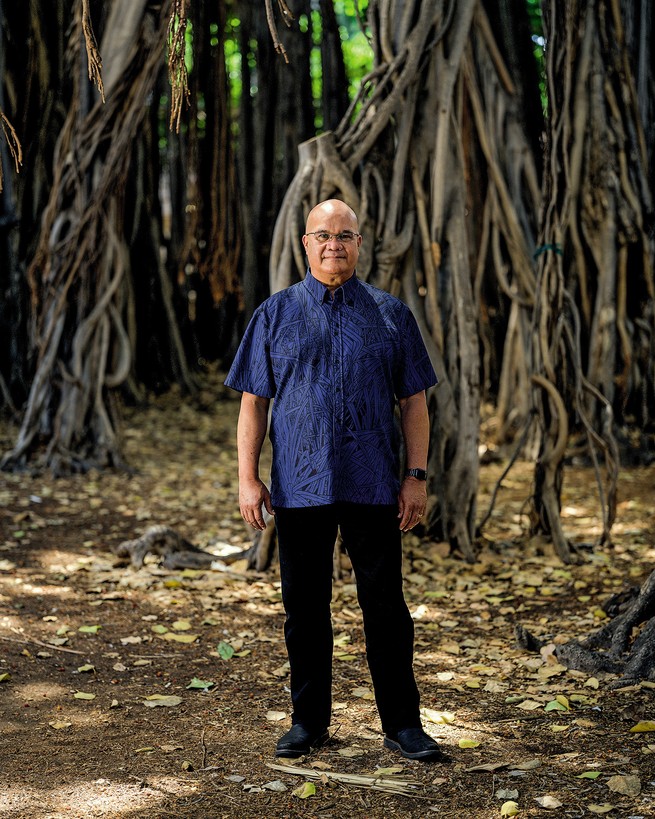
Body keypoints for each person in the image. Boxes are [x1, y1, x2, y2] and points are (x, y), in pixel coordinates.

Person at [225, 199, 444, 761]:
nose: (333, 245)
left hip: (373, 484)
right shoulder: (274, 314)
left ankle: (403, 724)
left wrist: (415, 477)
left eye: (344, 235)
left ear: (359, 243)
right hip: (299, 486)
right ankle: (309, 722)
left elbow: (414, 402)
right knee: (304, 608)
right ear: (305, 243)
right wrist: (247, 479)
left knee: (386, 609)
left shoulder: (392, 315)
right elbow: (253, 403)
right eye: (323, 235)